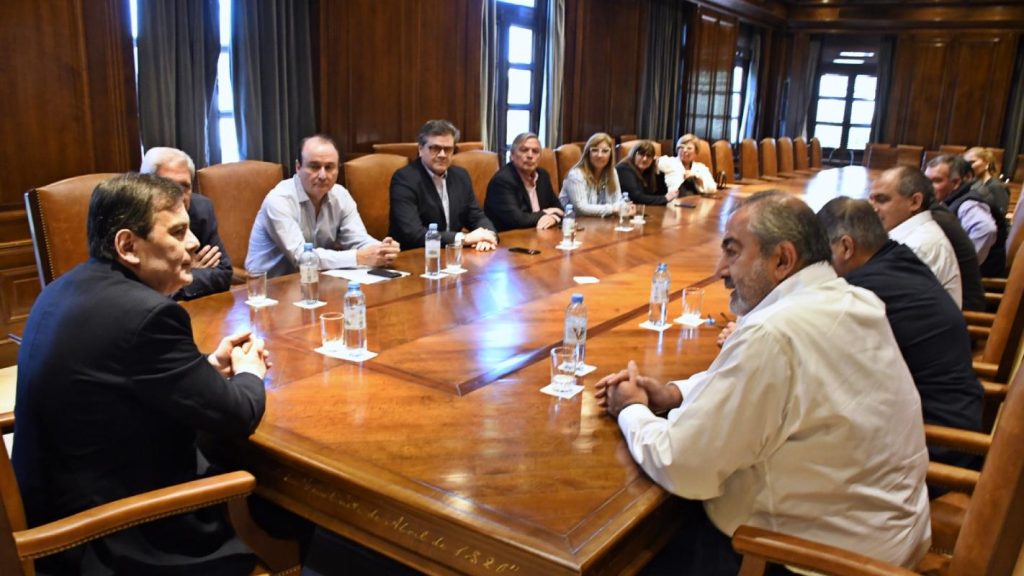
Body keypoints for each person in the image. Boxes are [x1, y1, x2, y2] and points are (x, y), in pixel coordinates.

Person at [595, 191, 930, 575]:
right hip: (884, 542)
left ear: (782, 260)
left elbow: (685, 466)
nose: (721, 269)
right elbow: (772, 383)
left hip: (812, 560)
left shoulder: (774, 333)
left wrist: (632, 408)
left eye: (733, 252)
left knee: (634, 555)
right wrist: (675, 393)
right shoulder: (852, 300)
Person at [13, 173, 270, 574]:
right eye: (179, 232)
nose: (194, 244)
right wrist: (250, 372)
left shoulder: (61, 289)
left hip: (54, 512)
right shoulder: (148, 315)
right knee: (276, 502)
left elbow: (115, 385)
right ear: (128, 245)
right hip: (113, 538)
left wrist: (204, 368)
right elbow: (238, 416)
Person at [818, 197, 983, 469]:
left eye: (823, 255)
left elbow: (811, 349)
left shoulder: (863, 290)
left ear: (846, 247)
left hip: (934, 450)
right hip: (954, 422)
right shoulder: (899, 258)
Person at [247, 134, 400, 277]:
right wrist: (358, 257)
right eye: (314, 167)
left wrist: (382, 249)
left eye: (329, 167)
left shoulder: (340, 195)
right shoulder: (279, 200)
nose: (322, 175)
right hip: (269, 288)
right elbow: (302, 257)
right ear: (298, 167)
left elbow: (358, 239)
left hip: (315, 281)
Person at [389, 119, 498, 249]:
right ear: (420, 149)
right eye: (435, 148)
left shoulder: (461, 176)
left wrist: (488, 236)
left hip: (452, 255)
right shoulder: (404, 179)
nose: (442, 155)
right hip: (414, 256)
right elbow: (413, 233)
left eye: (448, 149)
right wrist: (463, 238)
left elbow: (475, 216)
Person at [141, 146, 233, 300]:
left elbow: (223, 273)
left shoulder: (201, 209)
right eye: (169, 187)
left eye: (185, 187)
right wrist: (186, 269)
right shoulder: (132, 216)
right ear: (145, 187)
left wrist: (179, 277)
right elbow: (138, 286)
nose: (179, 196)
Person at [867, 166, 963, 308]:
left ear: (915, 202)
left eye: (882, 200)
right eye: (871, 199)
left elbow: (884, 304)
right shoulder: (913, 234)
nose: (872, 208)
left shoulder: (918, 246)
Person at [926, 154, 1007, 276]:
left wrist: (960, 266)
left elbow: (986, 230)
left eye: (936, 181)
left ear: (956, 182)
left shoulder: (969, 203)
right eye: (927, 181)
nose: (928, 187)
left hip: (978, 282)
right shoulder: (958, 197)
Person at [483, 132, 563, 231]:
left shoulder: (543, 176)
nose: (530, 155)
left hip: (538, 233)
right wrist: (547, 213)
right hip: (509, 239)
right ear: (512, 155)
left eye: (535, 151)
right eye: (524, 150)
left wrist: (553, 218)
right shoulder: (502, 181)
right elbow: (517, 220)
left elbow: (559, 208)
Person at [559, 132, 631, 217]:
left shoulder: (612, 172)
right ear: (587, 153)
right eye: (595, 150)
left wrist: (625, 207)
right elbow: (581, 208)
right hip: (574, 224)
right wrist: (612, 209)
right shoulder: (575, 175)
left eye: (605, 151)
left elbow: (618, 200)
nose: (600, 155)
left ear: (610, 155)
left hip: (600, 223)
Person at [615, 140, 675, 205]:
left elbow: (661, 193)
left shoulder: (648, 170)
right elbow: (636, 197)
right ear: (633, 154)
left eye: (649, 156)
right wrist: (665, 199)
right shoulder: (623, 168)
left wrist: (659, 171)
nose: (645, 159)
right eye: (641, 154)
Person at [964, 146, 1010, 214]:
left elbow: (1000, 214)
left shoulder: (997, 187)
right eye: (966, 164)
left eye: (972, 162)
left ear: (987, 163)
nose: (969, 167)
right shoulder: (972, 184)